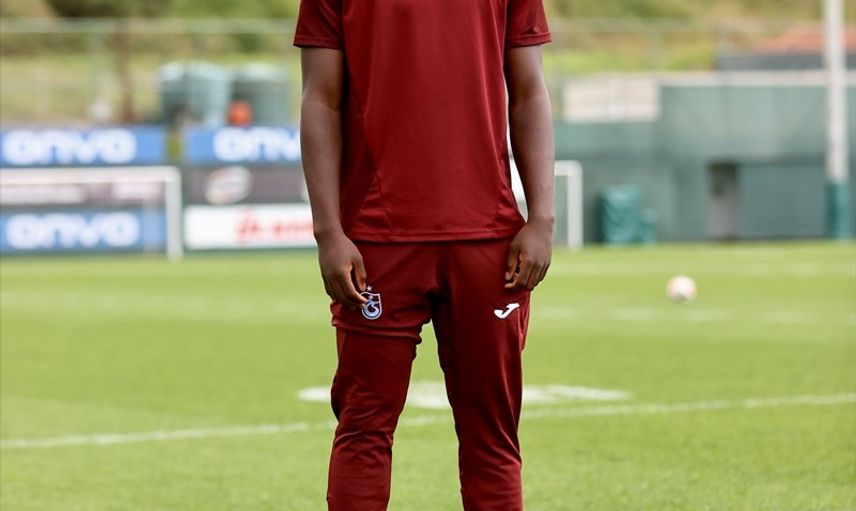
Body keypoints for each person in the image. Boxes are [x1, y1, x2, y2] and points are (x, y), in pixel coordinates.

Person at [295, 0, 555, 509]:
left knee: (491, 434)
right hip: (376, 244)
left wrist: (542, 217)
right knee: (364, 428)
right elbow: (320, 99)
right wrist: (328, 232)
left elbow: (529, 92)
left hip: (488, 244)